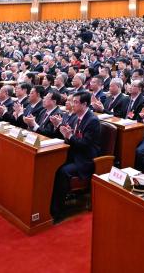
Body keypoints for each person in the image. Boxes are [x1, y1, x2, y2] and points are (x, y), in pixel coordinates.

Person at [50, 91, 101, 222]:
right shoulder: (74, 117)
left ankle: (57, 211)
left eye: (76, 102)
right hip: (73, 152)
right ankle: (48, 205)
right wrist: (59, 127)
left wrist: (69, 136)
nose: (72, 104)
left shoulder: (92, 121)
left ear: (84, 104)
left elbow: (84, 145)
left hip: (85, 159)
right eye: (72, 101)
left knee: (62, 171)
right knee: (51, 165)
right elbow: (68, 135)